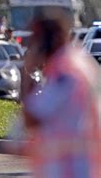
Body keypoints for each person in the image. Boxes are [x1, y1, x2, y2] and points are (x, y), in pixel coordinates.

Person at [14, 11, 100, 178]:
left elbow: (32, 117)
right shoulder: (76, 62)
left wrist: (26, 73)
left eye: (35, 40)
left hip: (71, 168)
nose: (31, 45)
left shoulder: (66, 70)